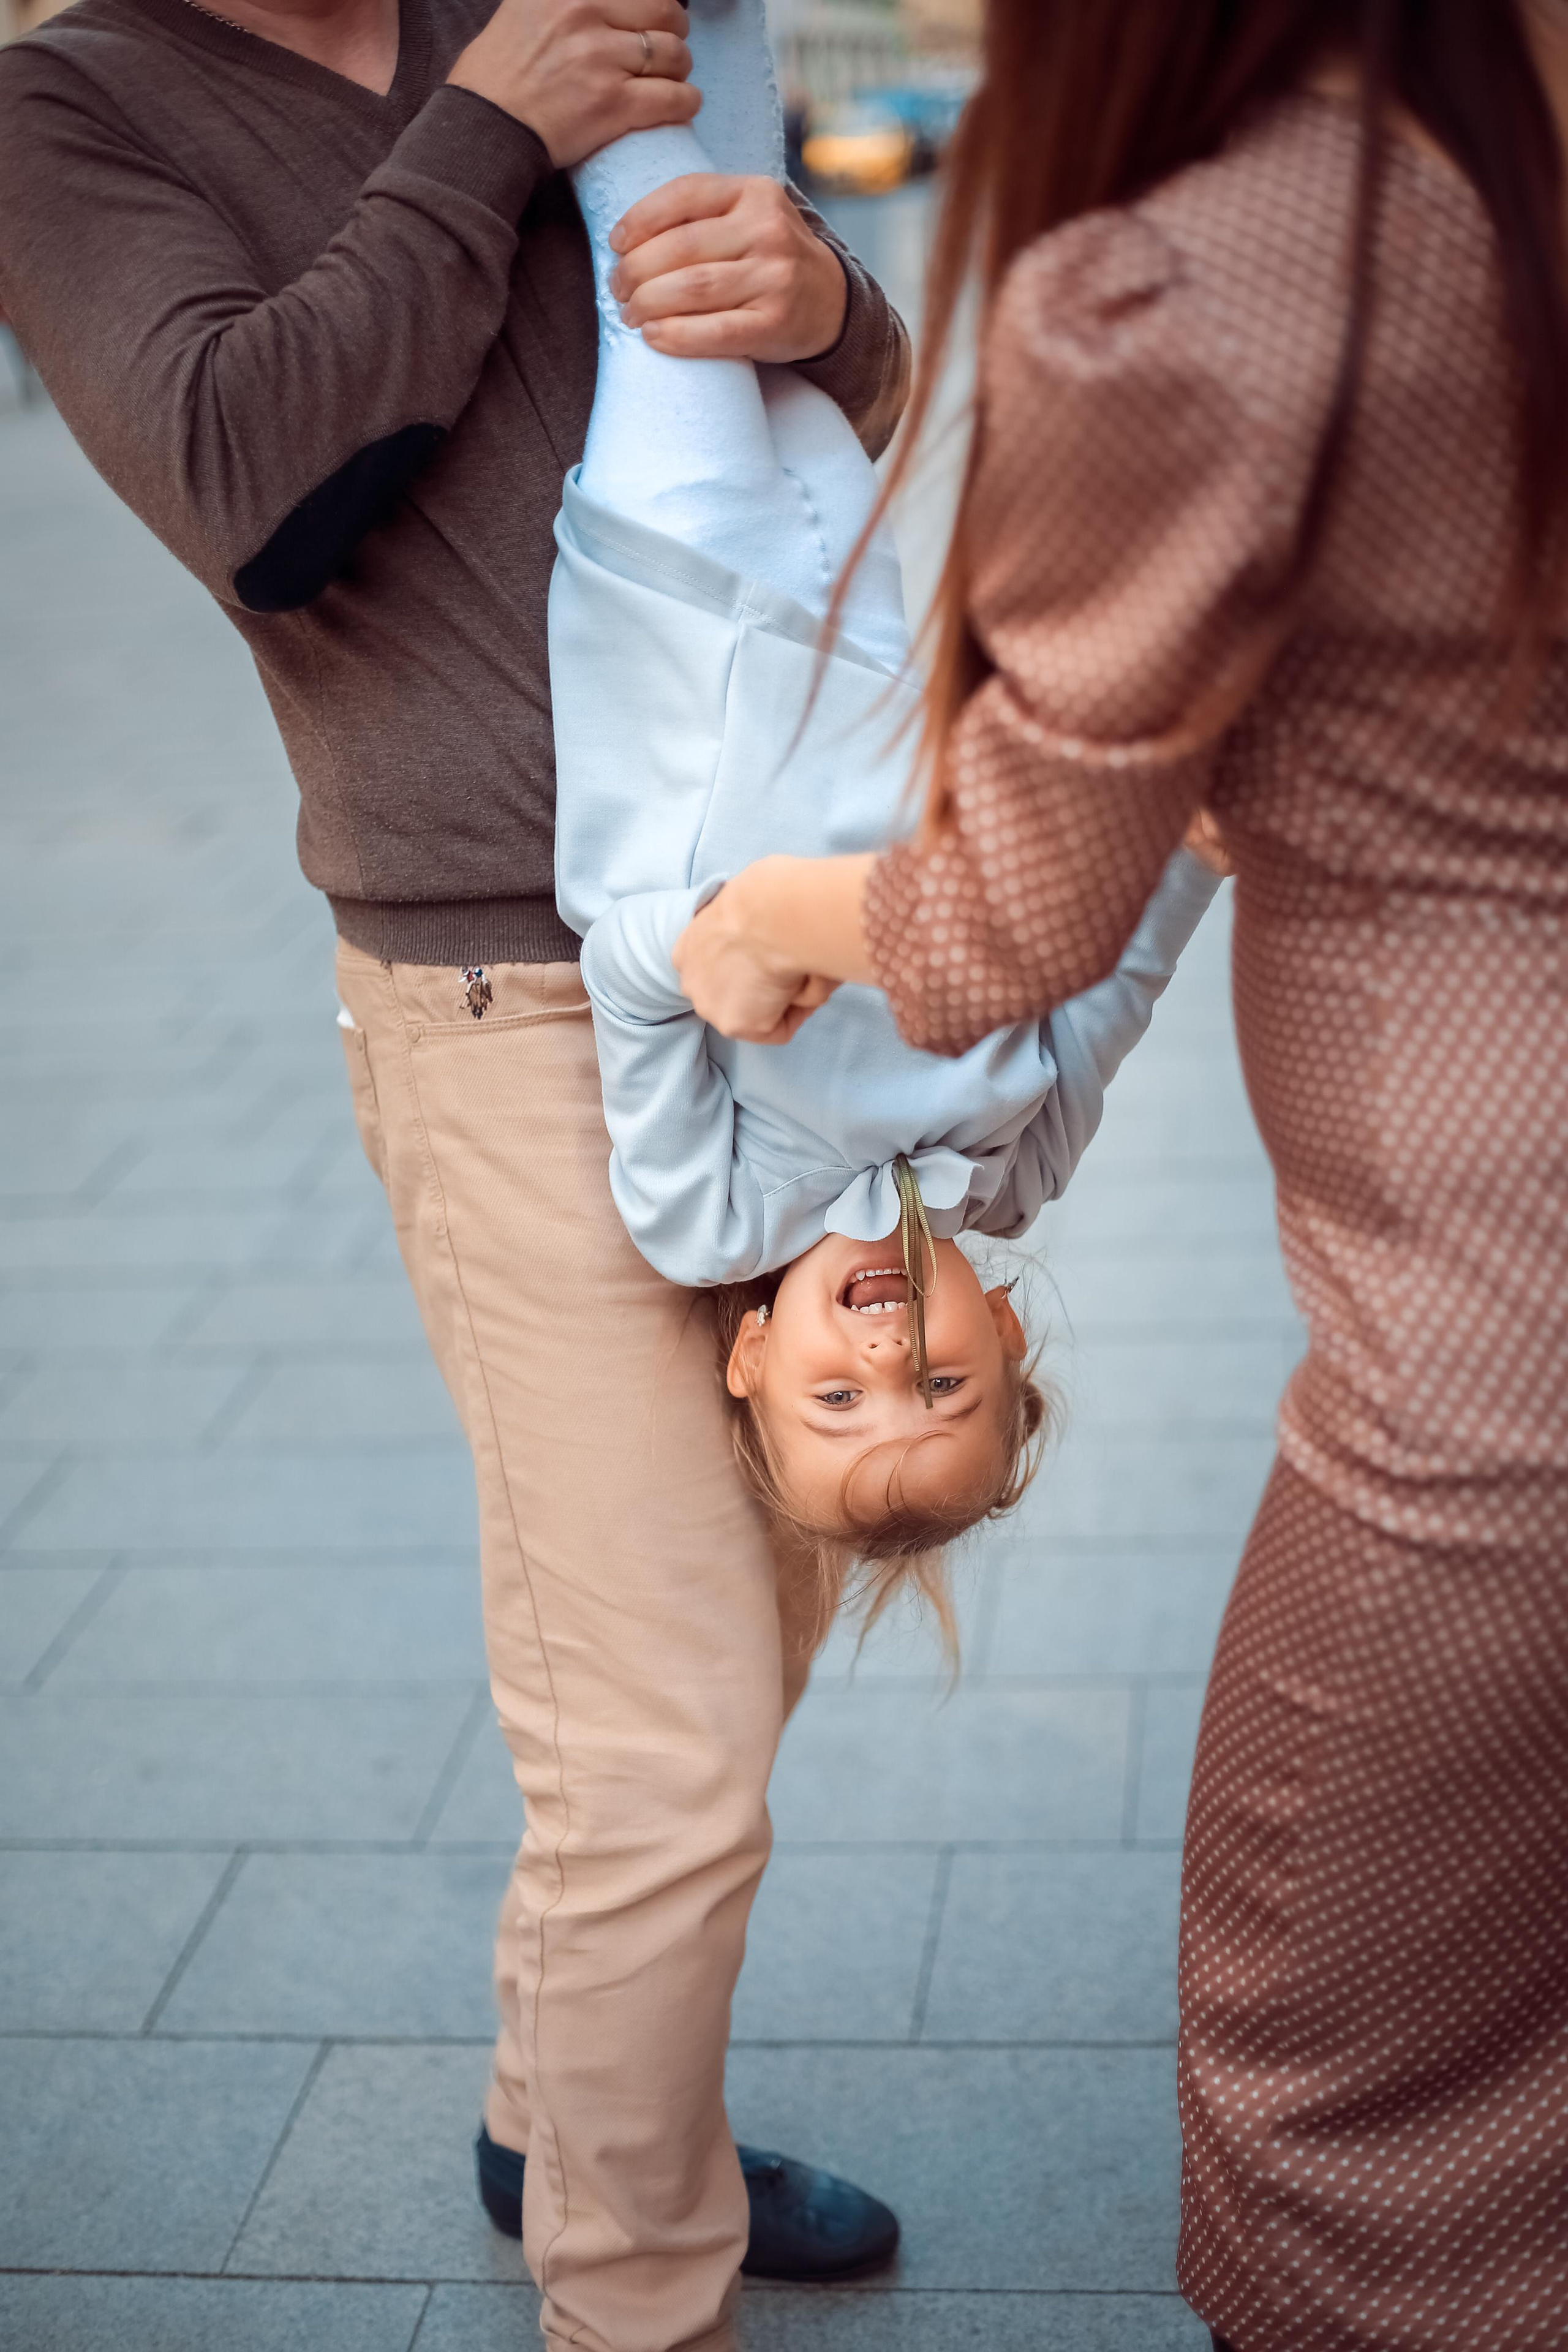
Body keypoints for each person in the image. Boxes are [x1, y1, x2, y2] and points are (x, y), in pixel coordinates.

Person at [0, 0, 914, 2345]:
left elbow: (835, 396)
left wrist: (825, 306)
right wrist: (492, 128)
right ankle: (635, 2283)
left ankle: (570, 2114)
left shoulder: (521, 4)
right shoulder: (69, 106)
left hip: (792, 962)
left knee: (762, 1612)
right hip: (508, 996)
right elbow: (247, 484)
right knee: (668, 1750)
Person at [671, 1, 1568, 2345]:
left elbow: (1009, 931)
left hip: (1502, 1357)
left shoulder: (1211, 273)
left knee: (1335, 2082)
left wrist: (758, 923)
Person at [554, 0, 1222, 1608]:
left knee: (657, 253)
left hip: (689, 619)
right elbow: (1110, 976)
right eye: (946, 1385)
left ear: (751, 1366)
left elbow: (631, 987)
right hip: (867, 634)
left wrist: (705, 949)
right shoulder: (1014, 1170)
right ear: (1004, 1336)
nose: (887, 1353)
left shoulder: (704, 1223)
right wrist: (1195, 836)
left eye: (836, 1399)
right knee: (747, 219)